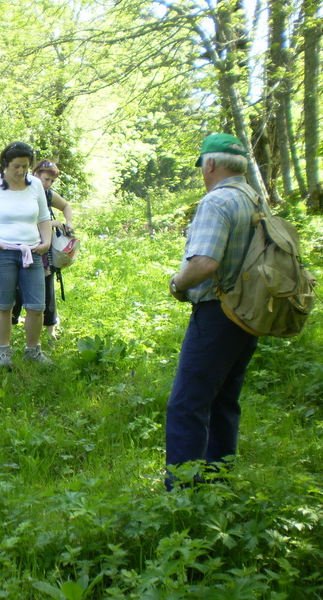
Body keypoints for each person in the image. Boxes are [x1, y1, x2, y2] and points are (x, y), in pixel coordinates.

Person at [165, 133, 259, 489]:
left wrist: (178, 283)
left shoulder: (217, 202)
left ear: (210, 164)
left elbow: (204, 262)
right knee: (223, 401)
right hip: (249, 313)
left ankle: (183, 493)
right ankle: (219, 483)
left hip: (218, 313)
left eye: (202, 168)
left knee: (187, 405)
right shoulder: (254, 199)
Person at [0, 142, 53, 368]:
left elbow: (44, 218)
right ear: (5, 164)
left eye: (25, 166)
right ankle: (4, 351)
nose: (20, 171)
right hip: (1, 253)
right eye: (16, 166)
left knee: (37, 306)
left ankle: (33, 351)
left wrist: (46, 242)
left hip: (32, 253)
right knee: (5, 305)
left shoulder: (35, 185)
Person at [11, 159, 75, 341]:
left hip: (44, 251)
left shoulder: (47, 194)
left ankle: (50, 331)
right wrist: (52, 223)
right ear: (35, 174)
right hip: (21, 246)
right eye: (46, 179)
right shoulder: (23, 190)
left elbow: (66, 206)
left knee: (47, 289)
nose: (48, 184)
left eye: (51, 181)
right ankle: (10, 325)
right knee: (16, 290)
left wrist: (68, 223)